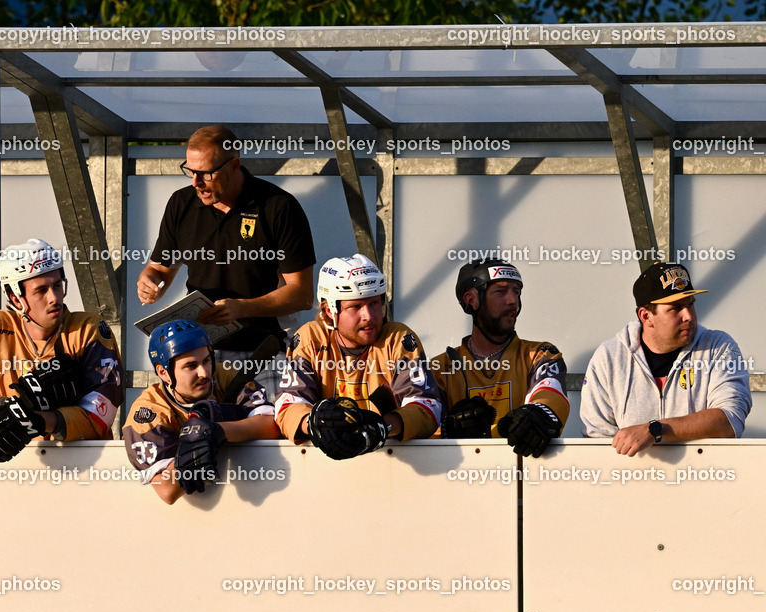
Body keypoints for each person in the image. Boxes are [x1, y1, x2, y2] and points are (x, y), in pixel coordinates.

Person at [136, 124, 316, 395]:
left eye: (206, 173)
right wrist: (148, 281)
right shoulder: (181, 203)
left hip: (263, 352)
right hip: (199, 353)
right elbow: (159, 269)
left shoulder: (278, 206)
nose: (196, 182)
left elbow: (301, 294)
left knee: (263, 430)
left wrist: (242, 308)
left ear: (235, 165)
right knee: (201, 432)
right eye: (190, 171)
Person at [0, 239, 123, 462]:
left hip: (85, 464)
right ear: (15, 298)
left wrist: (41, 420)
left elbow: (101, 413)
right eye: (41, 290)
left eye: (57, 285)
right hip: (14, 466)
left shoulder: (88, 329)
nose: (54, 298)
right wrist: (10, 407)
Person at [275, 254, 444, 459]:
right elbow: (287, 406)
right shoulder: (310, 338)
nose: (369, 316)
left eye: (374, 304)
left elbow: (427, 406)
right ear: (329, 311)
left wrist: (383, 427)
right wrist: (313, 423)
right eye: (356, 306)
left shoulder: (398, 338)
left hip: (393, 463)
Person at [580, 261, 751, 455]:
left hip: (706, 478)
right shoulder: (609, 358)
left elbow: (729, 420)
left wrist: (656, 429)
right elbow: (596, 442)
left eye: (691, 304)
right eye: (676, 308)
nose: (688, 315)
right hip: (632, 481)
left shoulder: (718, 346)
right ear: (646, 316)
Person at [123, 319, 278, 505]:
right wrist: (193, 442)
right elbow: (167, 490)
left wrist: (216, 431)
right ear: (163, 373)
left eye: (206, 361)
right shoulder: (147, 412)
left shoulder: (225, 376)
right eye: (191, 366)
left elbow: (272, 425)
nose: (204, 373)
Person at [435, 258, 569, 457]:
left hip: (522, 478)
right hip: (456, 479)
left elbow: (550, 395)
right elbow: (421, 426)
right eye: (501, 291)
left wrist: (538, 414)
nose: (512, 300)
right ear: (471, 299)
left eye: (516, 291)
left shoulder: (541, 354)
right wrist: (447, 430)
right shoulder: (440, 367)